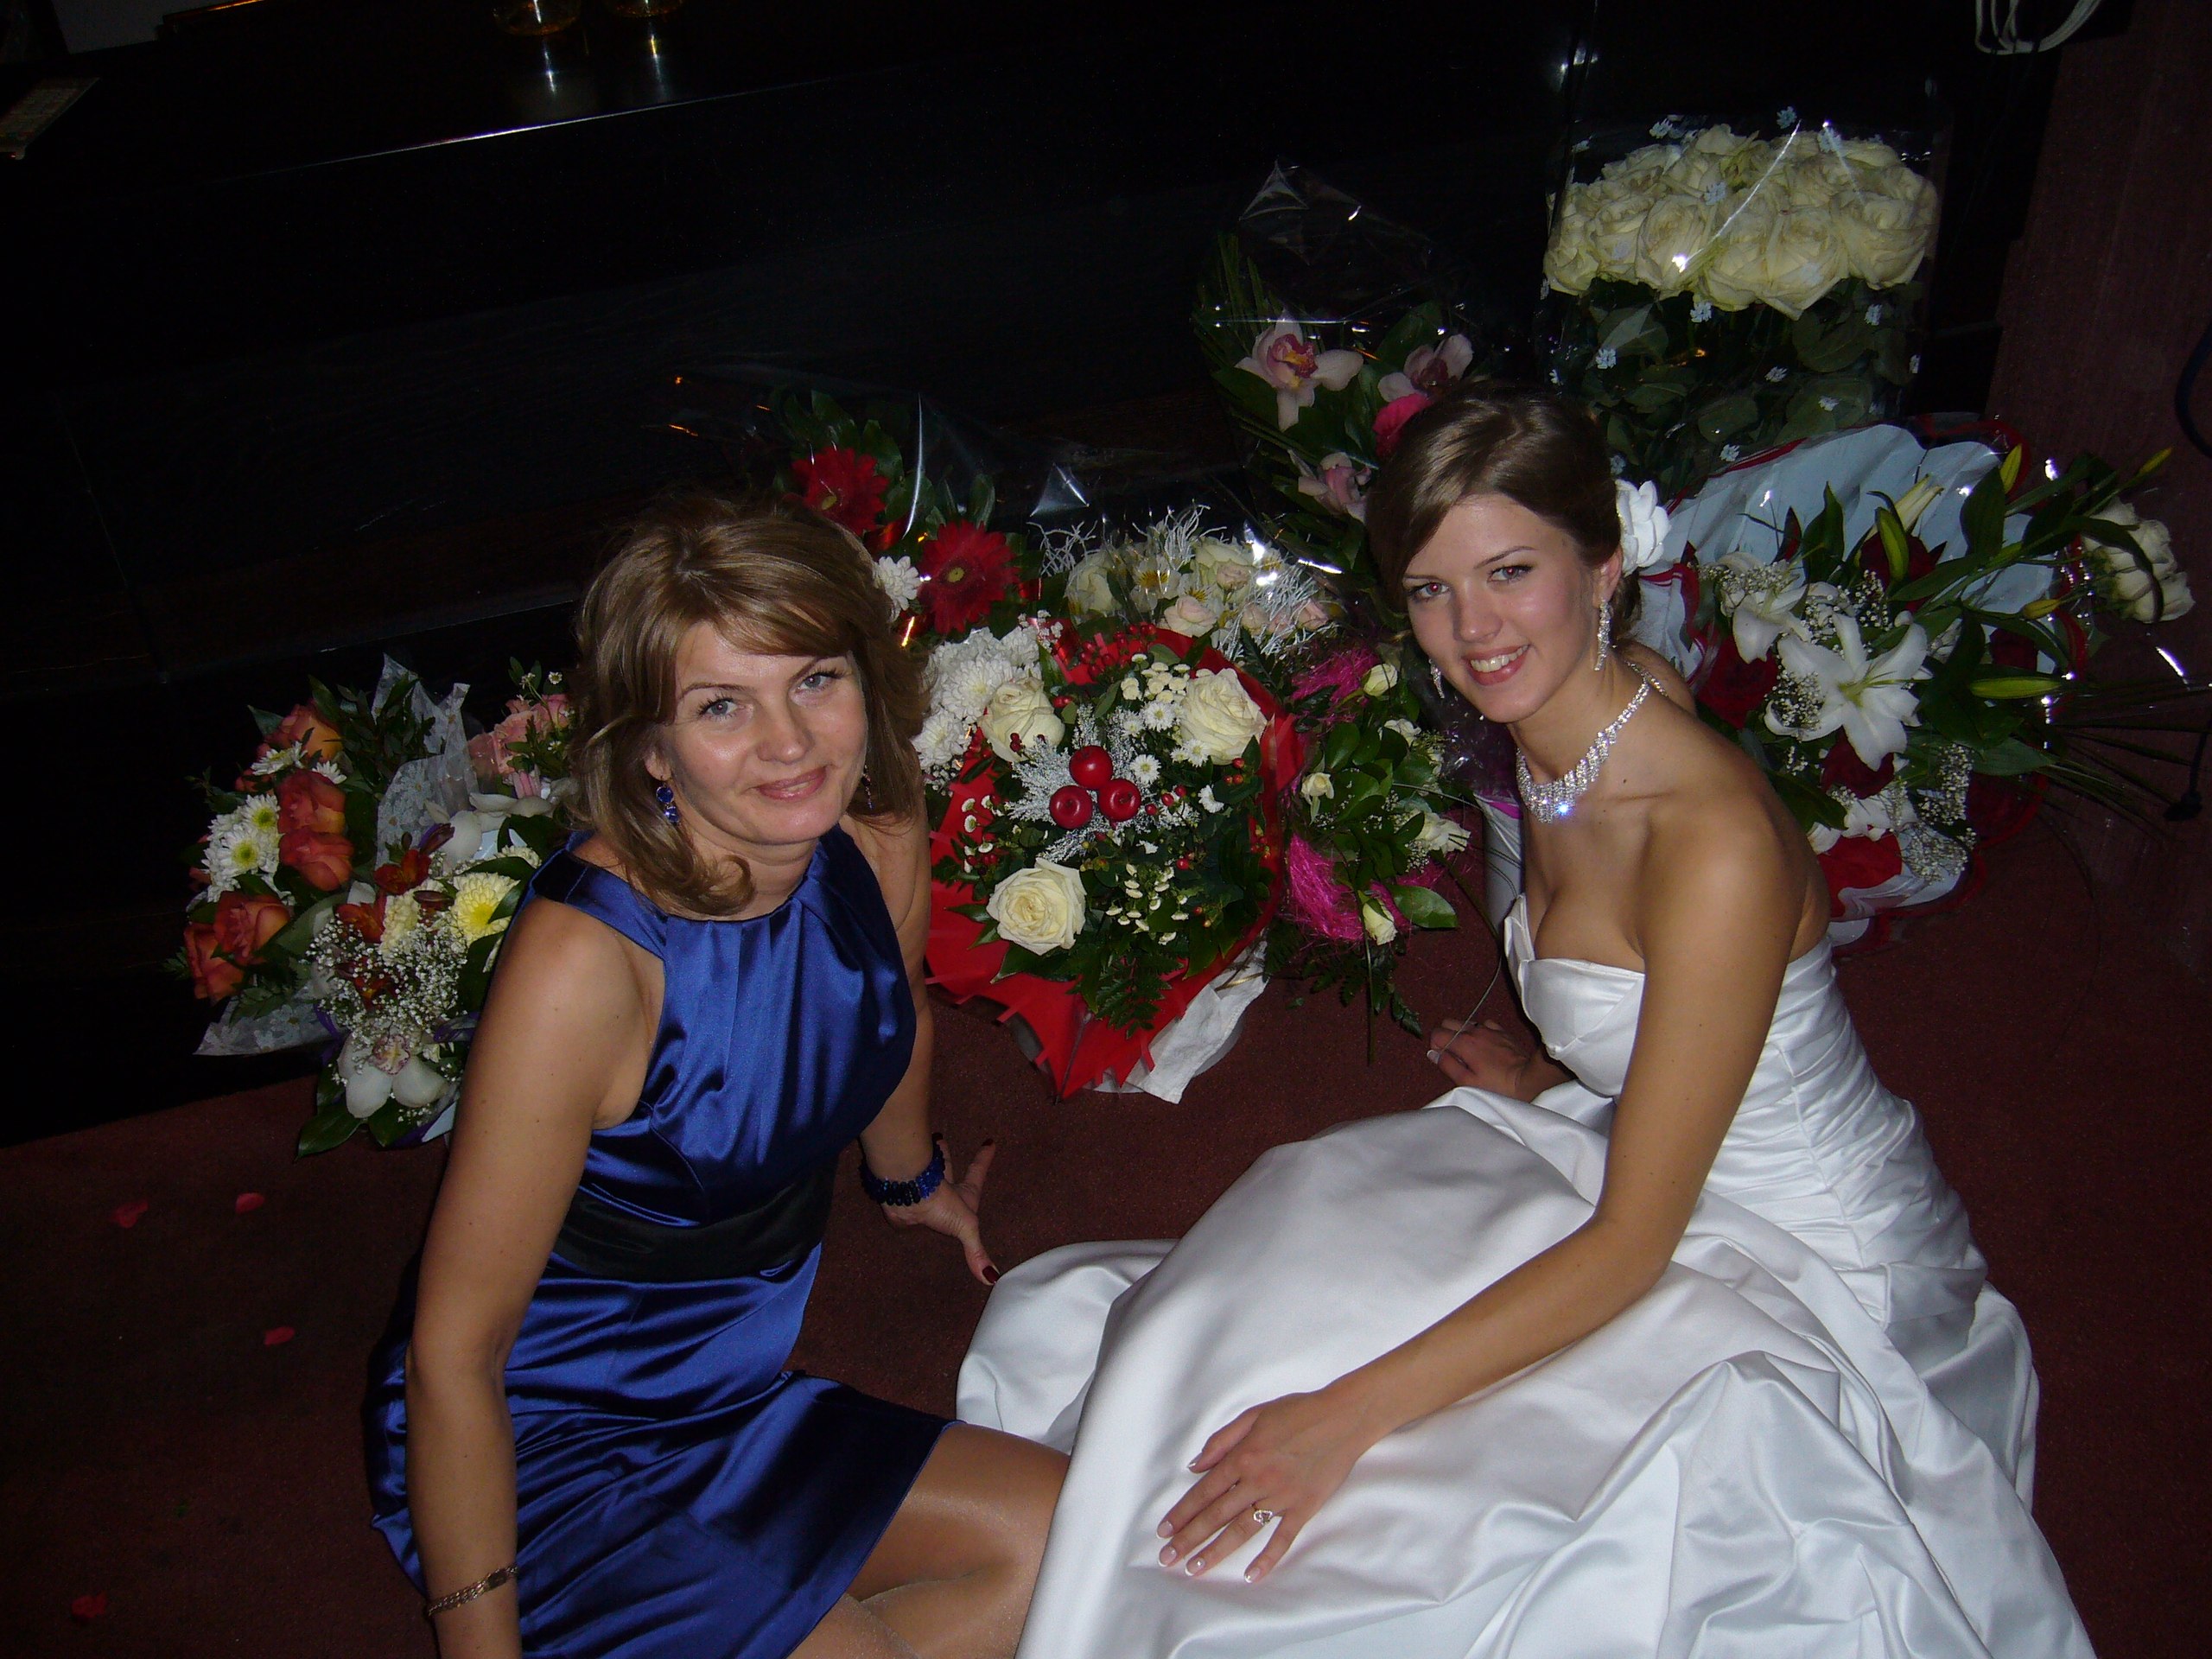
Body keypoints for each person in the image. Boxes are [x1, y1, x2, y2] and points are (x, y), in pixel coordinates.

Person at [957, 385, 2093, 1657]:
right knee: (1249, 1305)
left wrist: (1342, 1421)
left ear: (1603, 567)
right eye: (1431, 590)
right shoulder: (1598, 702)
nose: (1472, 631)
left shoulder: (1709, 843)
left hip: (1799, 1251)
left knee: (1442, 1538)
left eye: (1510, 573)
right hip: (1657, 1161)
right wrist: (1562, 1083)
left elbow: (1631, 1246)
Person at [365, 496, 1065, 1659]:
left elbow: (890, 1009)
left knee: (1064, 1541)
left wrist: (907, 1183)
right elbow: (455, 1354)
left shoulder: (875, 829)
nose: (791, 744)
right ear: (651, 745)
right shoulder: (589, 965)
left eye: (816, 679)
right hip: (543, 1431)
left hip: (728, 1398)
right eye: (722, 706)